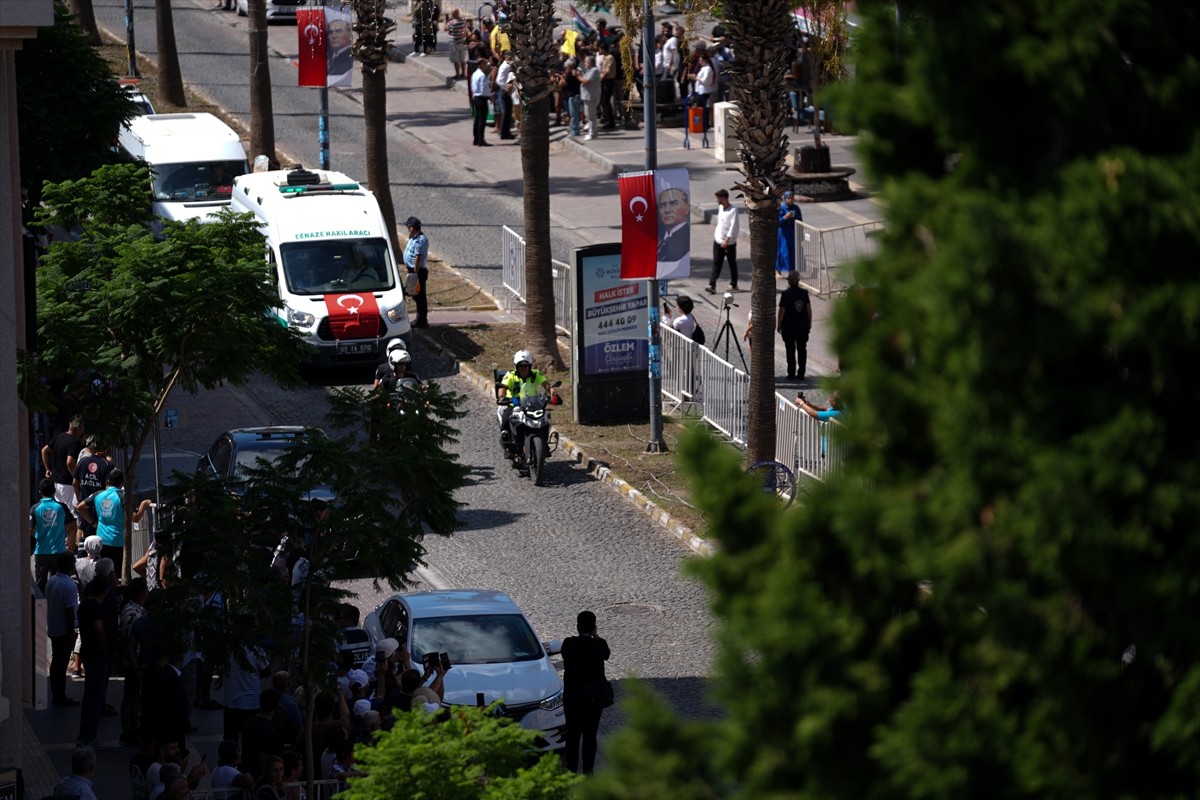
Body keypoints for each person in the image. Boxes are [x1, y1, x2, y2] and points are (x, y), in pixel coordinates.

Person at [560, 610, 611, 774]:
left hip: (573, 698)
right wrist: (595, 636)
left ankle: (571, 770)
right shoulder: (599, 644)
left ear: (577, 626)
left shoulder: (568, 644)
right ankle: (588, 771)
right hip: (593, 699)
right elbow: (607, 654)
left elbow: (565, 656)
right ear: (594, 627)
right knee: (590, 736)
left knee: (573, 736)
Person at [76, 576, 113, 748]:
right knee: (96, 697)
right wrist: (104, 645)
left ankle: (84, 735)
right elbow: (99, 629)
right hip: (98, 655)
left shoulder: (84, 605)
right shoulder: (96, 608)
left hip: (87, 652)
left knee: (89, 696)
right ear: (104, 591)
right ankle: (90, 736)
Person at [496, 349, 561, 441]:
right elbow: (503, 387)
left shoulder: (536, 374)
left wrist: (552, 393)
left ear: (530, 366)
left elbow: (546, 385)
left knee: (546, 418)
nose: (523, 368)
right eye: (520, 366)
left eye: (525, 365)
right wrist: (502, 397)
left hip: (534, 405)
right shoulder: (510, 375)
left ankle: (545, 441)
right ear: (516, 366)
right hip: (514, 404)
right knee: (506, 417)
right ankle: (506, 438)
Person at [31, 477, 77, 591]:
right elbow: (72, 527)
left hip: (41, 552)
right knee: (57, 586)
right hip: (59, 552)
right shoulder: (62, 507)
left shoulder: (35, 508)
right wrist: (70, 544)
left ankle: (41, 603)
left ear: (40, 492)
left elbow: (30, 530)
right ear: (54, 491)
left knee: (40, 586)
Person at [47, 553, 80, 708]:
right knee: (61, 663)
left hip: (53, 627)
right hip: (63, 630)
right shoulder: (69, 585)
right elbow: (69, 612)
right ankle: (60, 696)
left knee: (56, 662)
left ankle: (57, 694)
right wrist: (70, 633)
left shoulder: (52, 581)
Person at [43, 416, 85, 528]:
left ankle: (62, 535)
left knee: (60, 512)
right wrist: (76, 476)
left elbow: (44, 450)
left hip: (56, 481)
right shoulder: (75, 442)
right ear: (79, 428)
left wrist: (48, 468)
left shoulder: (59, 437)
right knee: (71, 514)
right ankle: (70, 537)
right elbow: (70, 461)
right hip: (68, 483)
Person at [72, 439, 111, 541]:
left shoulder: (82, 461)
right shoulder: (107, 465)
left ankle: (81, 550)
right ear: (106, 449)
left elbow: (75, 483)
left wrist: (80, 499)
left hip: (84, 505)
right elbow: (108, 488)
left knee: (83, 532)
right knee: (99, 538)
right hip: (99, 507)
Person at [777, 270, 813, 380]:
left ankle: (791, 373)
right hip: (802, 326)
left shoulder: (785, 294)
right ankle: (801, 373)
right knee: (802, 349)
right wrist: (809, 322)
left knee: (790, 350)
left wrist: (779, 324)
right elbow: (808, 309)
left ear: (789, 281)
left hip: (789, 326)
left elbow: (782, 311)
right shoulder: (804, 293)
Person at [708, 188, 740, 293]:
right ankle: (712, 285)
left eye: (718, 198)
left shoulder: (733, 210)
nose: (717, 200)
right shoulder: (721, 208)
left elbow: (733, 227)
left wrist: (727, 240)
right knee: (716, 263)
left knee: (732, 263)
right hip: (718, 240)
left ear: (724, 198)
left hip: (729, 243)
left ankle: (734, 283)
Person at [403, 216, 430, 328]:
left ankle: (422, 320)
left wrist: (415, 273)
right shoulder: (414, 237)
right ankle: (420, 318)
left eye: (408, 227)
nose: (407, 229)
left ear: (412, 227)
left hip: (417, 271)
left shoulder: (420, 240)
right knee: (414, 294)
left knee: (420, 296)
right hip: (413, 270)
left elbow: (418, 257)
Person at [656, 186, 690, 264]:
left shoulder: (685, 238)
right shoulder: (662, 237)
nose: (667, 210)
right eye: (662, 205)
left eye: (674, 203)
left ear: (687, 209)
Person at [776, 189, 803, 274]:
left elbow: (800, 220)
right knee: (784, 252)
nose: (790, 200)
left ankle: (792, 269)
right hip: (784, 233)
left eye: (792, 198)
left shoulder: (796, 208)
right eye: (788, 198)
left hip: (793, 232)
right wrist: (785, 217)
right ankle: (782, 269)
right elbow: (777, 222)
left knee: (793, 251)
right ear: (785, 199)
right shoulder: (781, 208)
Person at [470, 58, 493, 147]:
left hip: (476, 97)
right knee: (482, 120)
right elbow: (484, 89)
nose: (487, 65)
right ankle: (481, 139)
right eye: (485, 63)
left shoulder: (475, 73)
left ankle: (476, 139)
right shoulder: (482, 75)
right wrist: (489, 96)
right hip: (481, 98)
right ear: (481, 65)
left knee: (477, 118)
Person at [578, 55, 601, 141]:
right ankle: (592, 132)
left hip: (591, 96)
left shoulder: (594, 70)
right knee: (588, 116)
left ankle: (592, 133)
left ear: (590, 63)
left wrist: (577, 76)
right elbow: (584, 78)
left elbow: (586, 81)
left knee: (591, 116)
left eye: (586, 62)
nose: (585, 64)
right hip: (586, 96)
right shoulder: (588, 71)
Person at [326, 15, 354, 86]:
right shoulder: (333, 57)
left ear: (350, 34)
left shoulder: (348, 59)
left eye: (338, 31)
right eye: (330, 32)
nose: (334, 36)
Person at [495, 51, 516, 140]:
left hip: (506, 91)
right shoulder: (506, 66)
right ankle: (504, 133)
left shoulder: (508, 65)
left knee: (508, 112)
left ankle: (506, 131)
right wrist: (507, 87)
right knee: (506, 112)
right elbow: (499, 81)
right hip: (505, 91)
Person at [562, 58, 583, 137]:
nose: (566, 68)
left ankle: (575, 130)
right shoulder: (575, 72)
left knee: (574, 114)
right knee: (573, 114)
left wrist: (562, 77)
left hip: (574, 95)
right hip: (573, 95)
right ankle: (574, 129)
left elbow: (565, 83)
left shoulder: (573, 73)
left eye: (567, 66)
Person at [446, 8, 469, 79]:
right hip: (462, 42)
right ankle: (463, 73)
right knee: (463, 59)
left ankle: (457, 74)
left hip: (454, 42)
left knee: (456, 59)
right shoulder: (463, 21)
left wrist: (446, 21)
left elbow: (445, 29)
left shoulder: (451, 23)